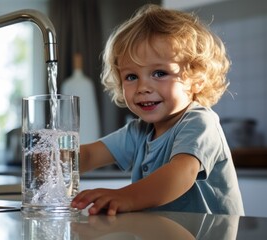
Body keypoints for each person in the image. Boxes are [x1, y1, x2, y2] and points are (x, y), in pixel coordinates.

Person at [71, 4, 245, 216]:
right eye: (131, 77)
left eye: (160, 73)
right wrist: (48, 159)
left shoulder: (199, 122)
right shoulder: (138, 131)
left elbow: (181, 173)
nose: (143, 87)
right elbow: (89, 155)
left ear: (196, 80)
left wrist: (126, 196)